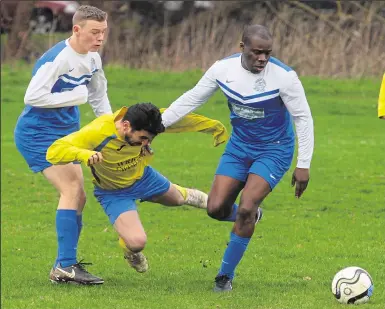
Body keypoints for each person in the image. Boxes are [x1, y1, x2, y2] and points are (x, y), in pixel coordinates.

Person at [161, 24, 315, 292]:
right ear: (242, 47)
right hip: (239, 147)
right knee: (216, 209)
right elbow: (192, 99)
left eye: (267, 53)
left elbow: (303, 118)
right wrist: (158, 125)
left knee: (246, 207)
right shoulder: (222, 70)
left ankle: (224, 276)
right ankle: (250, 217)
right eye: (257, 52)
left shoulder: (284, 77)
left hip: (274, 149)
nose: (262, 59)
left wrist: (303, 164)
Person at [46, 102, 229, 285]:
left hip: (144, 178)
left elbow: (181, 119)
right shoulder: (98, 131)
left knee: (179, 199)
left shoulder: (146, 122)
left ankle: (208, 201)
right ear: (125, 126)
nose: (145, 143)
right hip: (114, 192)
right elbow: (54, 151)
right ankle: (128, 249)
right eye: (142, 138)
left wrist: (213, 126)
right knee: (136, 242)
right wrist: (83, 154)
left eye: (149, 139)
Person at [14, 5, 112, 284]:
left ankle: (63, 266)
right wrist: (75, 96)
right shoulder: (57, 59)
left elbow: (98, 97)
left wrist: (111, 130)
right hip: (38, 135)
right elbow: (32, 97)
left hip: (68, 135)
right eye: (94, 32)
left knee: (79, 195)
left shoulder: (93, 58)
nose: (99, 38)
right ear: (76, 29)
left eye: (103, 32)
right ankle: (66, 266)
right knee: (71, 190)